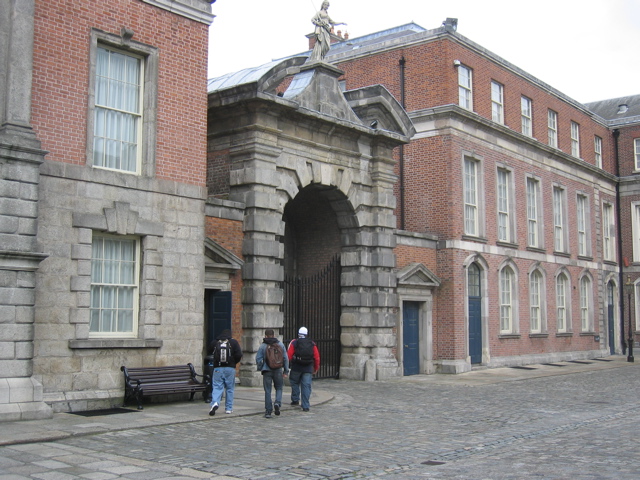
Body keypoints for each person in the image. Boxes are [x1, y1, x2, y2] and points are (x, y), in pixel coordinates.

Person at [255, 329, 290, 418]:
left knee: (268, 390)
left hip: (267, 370)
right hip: (278, 369)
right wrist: (286, 371)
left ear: (266, 335)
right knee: (279, 387)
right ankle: (277, 403)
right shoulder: (280, 344)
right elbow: (285, 358)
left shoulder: (263, 346)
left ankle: (268, 411)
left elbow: (258, 359)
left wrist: (261, 368)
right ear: (273, 335)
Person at [208, 329, 243, 415]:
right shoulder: (233, 342)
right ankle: (229, 408)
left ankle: (215, 403)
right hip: (230, 368)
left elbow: (209, 351)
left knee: (217, 387)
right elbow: (239, 354)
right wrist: (234, 362)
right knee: (230, 389)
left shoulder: (215, 342)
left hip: (218, 368)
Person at [287, 326, 320, 412]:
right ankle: (305, 405)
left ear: (298, 334)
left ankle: (295, 399)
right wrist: (315, 367)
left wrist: (288, 366)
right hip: (308, 368)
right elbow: (316, 357)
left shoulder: (294, 342)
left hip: (296, 367)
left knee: (294, 382)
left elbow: (289, 355)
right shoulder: (312, 343)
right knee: (306, 386)